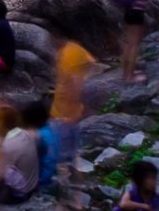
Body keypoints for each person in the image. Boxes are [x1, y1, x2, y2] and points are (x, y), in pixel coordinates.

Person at [48, 40, 94, 207]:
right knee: (74, 156)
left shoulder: (70, 53)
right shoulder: (76, 49)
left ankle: (65, 201)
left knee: (62, 162)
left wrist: (72, 115)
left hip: (64, 117)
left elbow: (75, 82)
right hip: (69, 115)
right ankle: (78, 197)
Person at [0, 102, 42, 205]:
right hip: (32, 185)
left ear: (1, 123)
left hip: (18, 195)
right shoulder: (24, 133)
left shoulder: (9, 145)